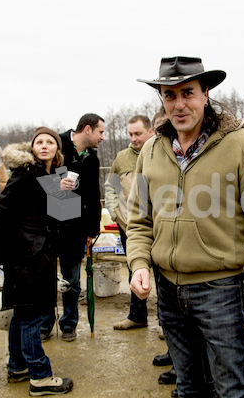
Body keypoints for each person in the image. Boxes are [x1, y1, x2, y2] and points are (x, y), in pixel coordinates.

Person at [127, 56, 244, 397]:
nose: (179, 104)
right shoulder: (153, 150)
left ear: (206, 93)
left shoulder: (242, 145)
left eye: (188, 93)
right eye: (169, 96)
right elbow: (140, 220)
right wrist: (139, 263)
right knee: (189, 387)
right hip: (168, 290)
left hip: (221, 289)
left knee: (233, 389)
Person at [0, 127, 73, 396]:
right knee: (32, 316)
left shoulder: (46, 175)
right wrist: (0, 253)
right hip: (27, 256)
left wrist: (64, 192)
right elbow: (0, 215)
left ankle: (17, 366)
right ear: (32, 147)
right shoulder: (26, 174)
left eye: (51, 142)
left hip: (36, 254)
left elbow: (61, 217)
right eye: (40, 142)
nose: (45, 145)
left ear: (57, 149)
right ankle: (40, 376)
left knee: (22, 313)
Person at [41, 113, 104, 342]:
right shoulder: (56, 144)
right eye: (101, 132)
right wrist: (55, 186)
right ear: (87, 129)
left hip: (76, 229)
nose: (103, 137)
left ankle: (69, 324)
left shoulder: (93, 158)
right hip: (50, 225)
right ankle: (45, 323)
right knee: (47, 278)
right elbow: (38, 178)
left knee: (73, 280)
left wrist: (92, 230)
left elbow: (94, 194)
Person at [105, 114, 155, 330]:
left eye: (138, 133)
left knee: (164, 278)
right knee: (135, 271)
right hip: (131, 227)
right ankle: (137, 316)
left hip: (159, 227)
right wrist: (115, 214)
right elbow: (111, 187)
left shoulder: (161, 152)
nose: (133, 138)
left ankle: (167, 323)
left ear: (150, 131)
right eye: (131, 134)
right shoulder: (122, 158)